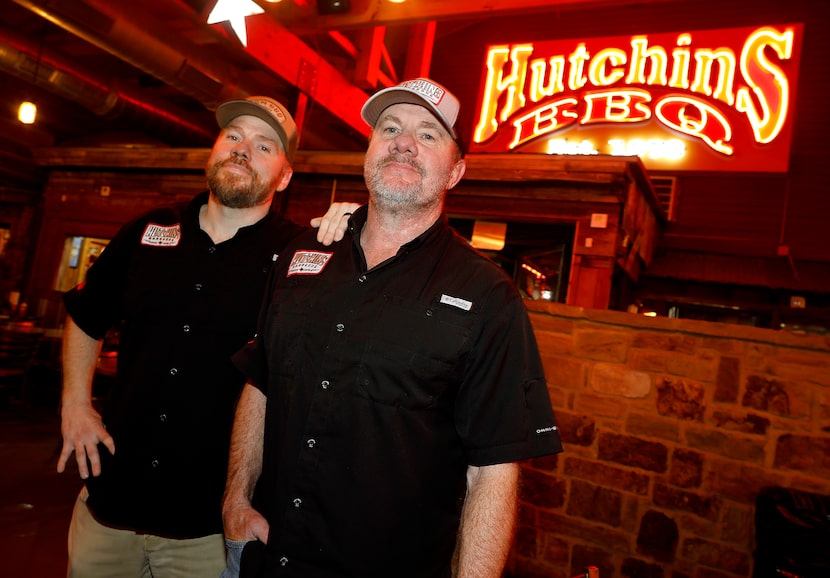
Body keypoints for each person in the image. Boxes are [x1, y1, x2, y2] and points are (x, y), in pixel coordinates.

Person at [222, 78, 563, 578]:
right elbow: (262, 382)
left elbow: (493, 471)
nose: (404, 140)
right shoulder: (302, 255)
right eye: (390, 128)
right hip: (269, 557)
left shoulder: (489, 296)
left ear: (455, 171)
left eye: (429, 135)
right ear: (368, 152)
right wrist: (235, 497)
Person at [56, 95, 358, 578]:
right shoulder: (148, 231)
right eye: (233, 136)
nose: (242, 149)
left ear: (284, 177)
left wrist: (357, 238)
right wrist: (75, 402)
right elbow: (86, 315)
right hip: (108, 507)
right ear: (213, 149)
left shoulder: (301, 260)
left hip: (210, 528)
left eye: (264, 146)